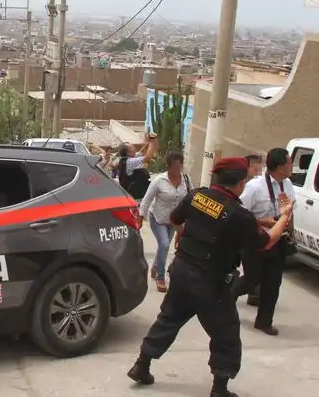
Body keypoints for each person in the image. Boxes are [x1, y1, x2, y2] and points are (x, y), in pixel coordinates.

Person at [127, 157, 294, 397]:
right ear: (241, 182)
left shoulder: (197, 196)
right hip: (211, 281)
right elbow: (266, 243)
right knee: (226, 332)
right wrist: (285, 216)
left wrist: (191, 238)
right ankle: (220, 388)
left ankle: (141, 365)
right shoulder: (238, 215)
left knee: (168, 319)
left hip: (183, 270)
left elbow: (175, 221)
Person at [232, 148, 296, 334]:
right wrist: (262, 221)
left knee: (273, 283)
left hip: (278, 240)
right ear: (279, 167)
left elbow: (291, 209)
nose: (292, 166)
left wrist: (289, 224)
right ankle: (228, 295)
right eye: (289, 163)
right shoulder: (255, 187)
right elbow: (239, 212)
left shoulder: (288, 185)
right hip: (257, 240)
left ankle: (264, 321)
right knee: (252, 280)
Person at [138, 151, 192, 292]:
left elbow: (191, 197)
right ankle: (160, 277)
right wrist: (140, 217)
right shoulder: (159, 181)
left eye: (180, 165)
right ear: (168, 166)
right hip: (158, 218)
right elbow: (146, 200)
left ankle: (156, 266)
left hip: (175, 220)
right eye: (175, 166)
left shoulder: (185, 179)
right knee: (164, 243)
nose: (178, 169)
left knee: (164, 247)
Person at [117, 136, 158, 200]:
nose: (135, 148)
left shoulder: (128, 158)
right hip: (135, 196)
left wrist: (149, 141)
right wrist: (152, 143)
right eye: (132, 147)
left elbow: (141, 152)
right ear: (127, 152)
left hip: (137, 193)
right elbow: (147, 158)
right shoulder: (129, 162)